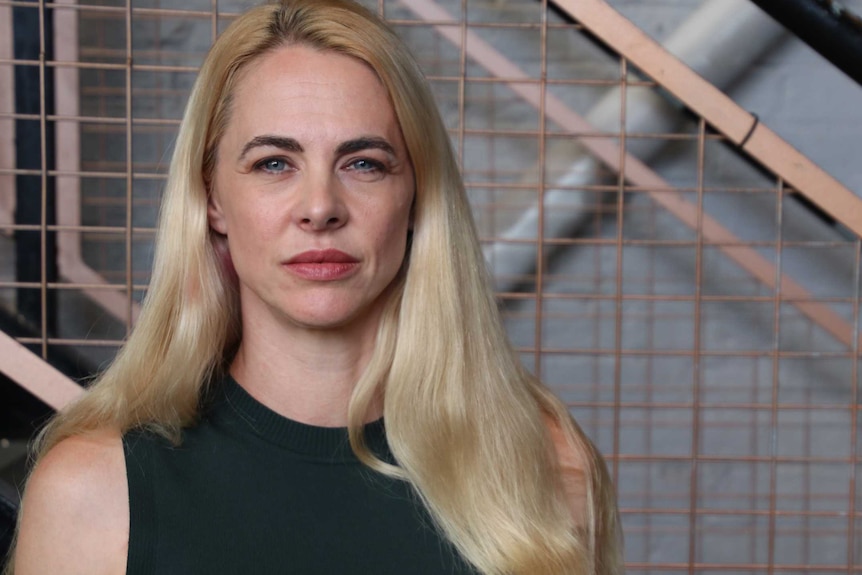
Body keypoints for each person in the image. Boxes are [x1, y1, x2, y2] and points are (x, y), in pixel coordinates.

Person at [9, 0, 623, 573]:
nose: (321, 207)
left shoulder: (541, 462)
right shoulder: (91, 490)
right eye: (274, 163)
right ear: (213, 198)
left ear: (414, 196)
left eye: (364, 163)